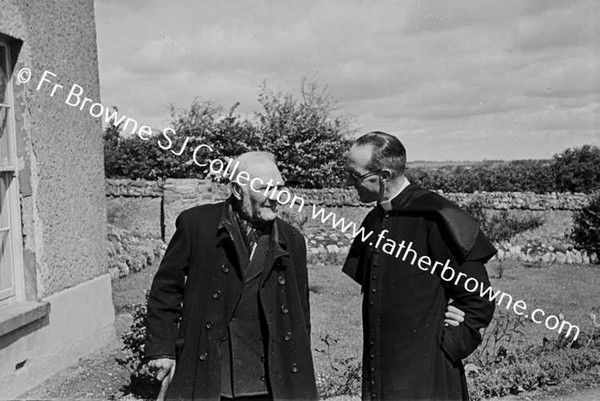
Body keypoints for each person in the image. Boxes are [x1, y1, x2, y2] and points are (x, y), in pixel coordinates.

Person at [144, 151, 318, 400]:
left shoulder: (292, 240)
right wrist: (162, 350)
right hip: (213, 369)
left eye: (279, 188)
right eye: (264, 188)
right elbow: (166, 289)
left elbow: (301, 310)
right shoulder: (198, 226)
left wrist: (298, 363)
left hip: (269, 373)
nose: (274, 197)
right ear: (238, 190)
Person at [343, 131, 497, 401]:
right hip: (382, 366)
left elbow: (478, 297)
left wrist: (451, 344)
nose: (350, 184)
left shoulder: (436, 218)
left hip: (428, 371)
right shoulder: (373, 221)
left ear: (384, 175)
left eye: (356, 177)